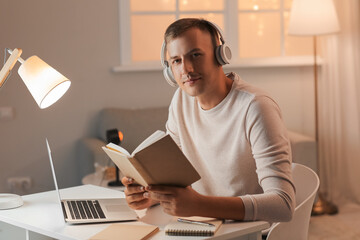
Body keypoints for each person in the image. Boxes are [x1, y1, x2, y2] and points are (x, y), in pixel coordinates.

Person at [121, 18, 295, 223]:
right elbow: (174, 177)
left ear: (220, 56)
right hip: (203, 226)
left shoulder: (256, 107)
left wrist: (198, 204)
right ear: (169, 70)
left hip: (250, 232)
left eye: (195, 55)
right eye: (176, 60)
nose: (185, 69)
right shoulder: (180, 101)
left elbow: (283, 205)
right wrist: (148, 194)